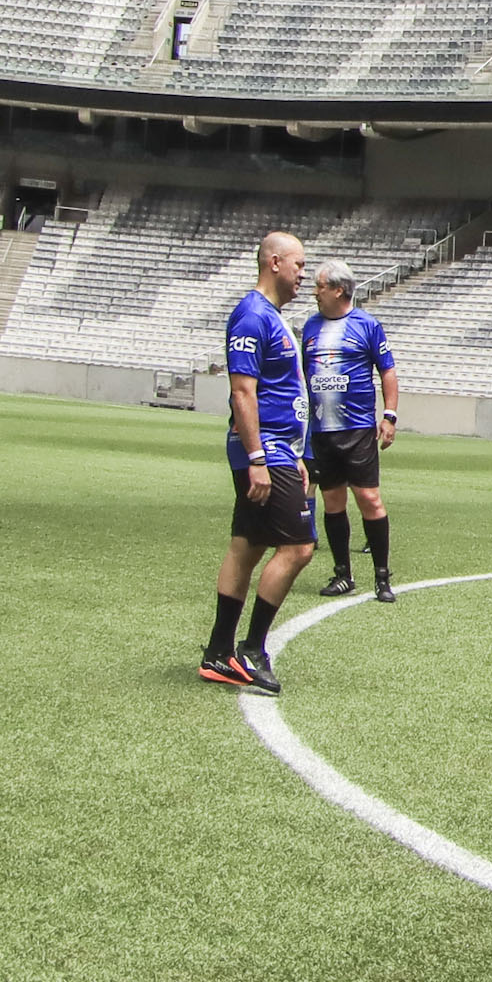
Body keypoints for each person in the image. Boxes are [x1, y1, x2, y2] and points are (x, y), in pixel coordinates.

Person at [198, 232, 316, 694]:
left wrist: (299, 452)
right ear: (273, 262)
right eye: (298, 264)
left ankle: (217, 652)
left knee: (246, 545)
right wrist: (258, 458)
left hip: (280, 449)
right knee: (299, 548)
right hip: (265, 450)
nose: (302, 274)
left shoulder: (272, 317)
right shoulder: (251, 316)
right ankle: (251, 648)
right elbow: (243, 392)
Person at [301, 263, 399, 602]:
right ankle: (343, 574)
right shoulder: (310, 327)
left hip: (357, 430)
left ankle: (382, 577)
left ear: (339, 290)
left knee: (369, 499)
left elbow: (388, 371)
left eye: (320, 286)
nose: (314, 292)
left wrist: (389, 416)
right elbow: (303, 375)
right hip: (322, 431)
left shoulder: (367, 325)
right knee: (332, 501)